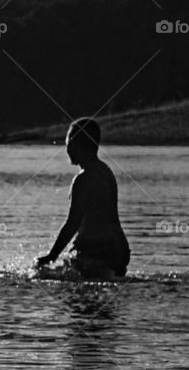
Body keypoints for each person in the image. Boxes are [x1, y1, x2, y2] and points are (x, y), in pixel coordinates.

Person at [36, 118, 130, 279]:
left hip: (96, 249)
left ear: (77, 145)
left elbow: (73, 222)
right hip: (119, 249)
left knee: (45, 277)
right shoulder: (106, 171)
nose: (67, 148)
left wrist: (52, 255)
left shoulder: (83, 179)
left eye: (68, 143)